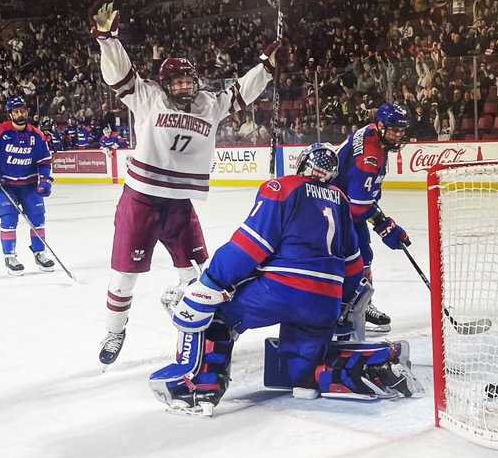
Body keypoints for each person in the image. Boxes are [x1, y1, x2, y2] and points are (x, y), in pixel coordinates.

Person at [149, 144, 419, 416]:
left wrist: (211, 282)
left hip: (282, 290)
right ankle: (355, 372)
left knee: (216, 313)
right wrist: (342, 304)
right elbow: (353, 264)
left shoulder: (284, 187)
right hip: (325, 301)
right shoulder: (341, 200)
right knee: (301, 373)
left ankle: (198, 391)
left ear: (302, 165)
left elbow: (250, 246)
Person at [89, 0, 288, 365]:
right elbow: (118, 75)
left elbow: (241, 92)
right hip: (141, 200)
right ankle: (115, 332)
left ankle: (197, 335)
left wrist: (265, 67)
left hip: (179, 203)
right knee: (123, 279)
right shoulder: (148, 96)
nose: (185, 86)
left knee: (198, 276)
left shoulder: (208, 104)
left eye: (188, 80)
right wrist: (106, 39)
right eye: (178, 81)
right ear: (165, 83)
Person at [331, 103, 411, 334]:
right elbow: (358, 208)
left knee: (362, 255)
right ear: (380, 125)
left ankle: (359, 306)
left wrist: (379, 218)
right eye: (393, 130)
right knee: (355, 257)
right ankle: (350, 310)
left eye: (400, 130)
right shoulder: (370, 156)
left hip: (342, 202)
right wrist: (385, 226)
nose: (398, 135)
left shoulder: (372, 133)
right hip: (338, 208)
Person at [0, 97, 56, 275]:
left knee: (38, 219)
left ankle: (40, 253)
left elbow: (44, 161)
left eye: (23, 110)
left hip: (29, 185)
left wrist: (45, 180)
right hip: (6, 185)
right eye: (16, 111)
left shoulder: (37, 135)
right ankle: (9, 256)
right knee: (8, 220)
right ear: (10, 113)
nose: (21, 114)